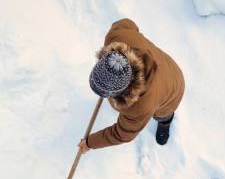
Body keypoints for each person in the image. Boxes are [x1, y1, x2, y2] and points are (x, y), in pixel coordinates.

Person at [78, 18, 185, 153]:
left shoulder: (140, 106)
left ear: (122, 90)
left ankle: (165, 122)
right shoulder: (117, 37)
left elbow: (122, 133)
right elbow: (128, 24)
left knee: (163, 113)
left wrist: (90, 143)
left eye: (107, 93)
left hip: (173, 88)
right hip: (166, 64)